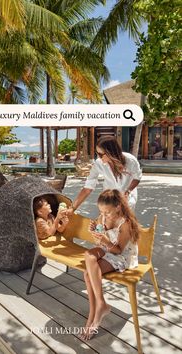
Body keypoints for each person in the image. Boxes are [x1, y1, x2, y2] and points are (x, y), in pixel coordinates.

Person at [80, 189, 140, 340]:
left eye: (107, 212)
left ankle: (94, 314)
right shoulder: (103, 217)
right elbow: (98, 241)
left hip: (122, 256)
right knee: (88, 255)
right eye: (101, 211)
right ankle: (100, 305)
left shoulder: (125, 223)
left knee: (88, 273)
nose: (103, 215)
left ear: (118, 207)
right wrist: (95, 233)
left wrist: (104, 240)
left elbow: (119, 250)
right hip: (107, 249)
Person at [69, 136, 142, 212]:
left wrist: (128, 191)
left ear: (111, 152)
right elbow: (88, 187)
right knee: (106, 222)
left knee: (124, 222)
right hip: (108, 201)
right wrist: (72, 208)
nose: (99, 157)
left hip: (128, 200)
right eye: (97, 153)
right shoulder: (98, 163)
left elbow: (137, 177)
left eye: (101, 154)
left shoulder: (130, 160)